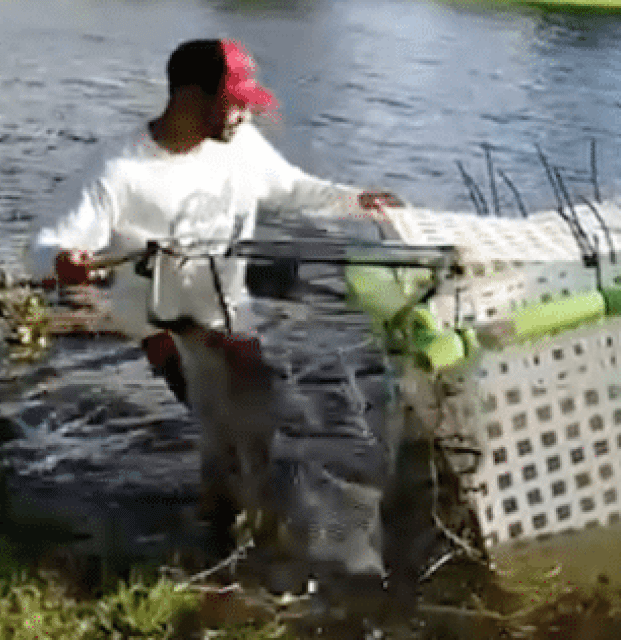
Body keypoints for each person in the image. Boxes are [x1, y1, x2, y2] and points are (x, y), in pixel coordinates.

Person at [26, 38, 406, 556]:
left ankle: (237, 531)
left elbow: (292, 187)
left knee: (259, 426)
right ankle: (224, 542)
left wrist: (355, 202)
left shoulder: (241, 144)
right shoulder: (119, 171)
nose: (247, 113)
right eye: (235, 100)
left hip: (228, 310)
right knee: (230, 425)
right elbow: (43, 246)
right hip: (164, 322)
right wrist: (62, 262)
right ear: (187, 95)